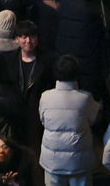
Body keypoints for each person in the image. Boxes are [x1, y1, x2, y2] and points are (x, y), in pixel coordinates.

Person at [38, 54, 99, 186]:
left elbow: (43, 120)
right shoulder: (85, 98)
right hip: (79, 162)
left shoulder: (45, 96)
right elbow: (93, 120)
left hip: (52, 161)